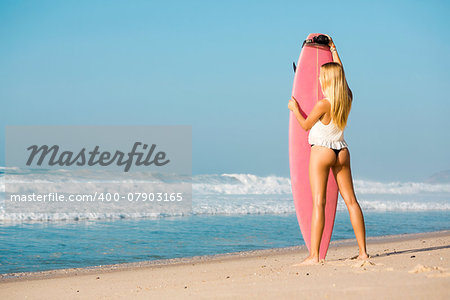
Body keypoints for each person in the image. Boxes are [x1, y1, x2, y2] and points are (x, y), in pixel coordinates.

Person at [288, 35, 369, 265]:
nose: (321, 80)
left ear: (328, 80)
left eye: (323, 77)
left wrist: (295, 108)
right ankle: (363, 252)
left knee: (319, 203)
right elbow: (341, 74)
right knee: (352, 201)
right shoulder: (347, 98)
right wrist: (333, 49)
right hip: (342, 151)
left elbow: (304, 126)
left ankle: (314, 256)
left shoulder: (323, 104)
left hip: (322, 151)